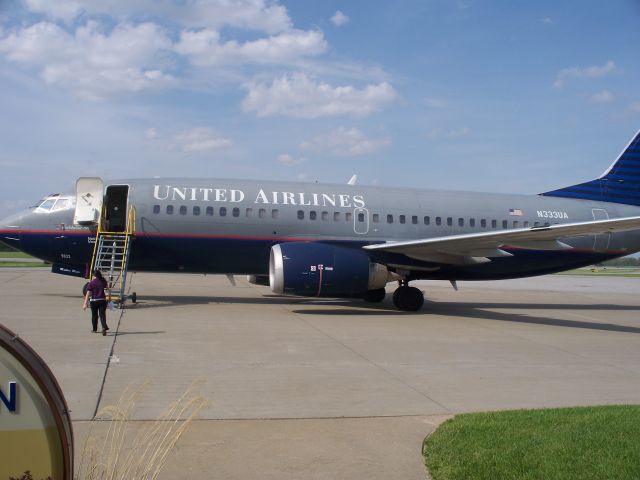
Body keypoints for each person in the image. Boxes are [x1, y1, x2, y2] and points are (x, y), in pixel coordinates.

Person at [83, 270, 111, 335]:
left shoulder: (91, 283)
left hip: (94, 301)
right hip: (102, 300)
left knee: (94, 315)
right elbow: (108, 290)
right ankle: (104, 327)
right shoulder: (103, 281)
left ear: (94, 276)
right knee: (102, 315)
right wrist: (109, 298)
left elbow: (88, 294)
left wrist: (85, 303)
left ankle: (94, 329)